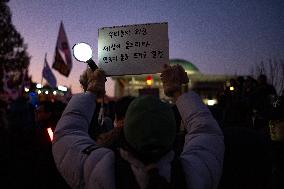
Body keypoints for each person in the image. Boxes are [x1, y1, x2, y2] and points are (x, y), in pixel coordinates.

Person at [52, 65, 224, 189]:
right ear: (173, 130)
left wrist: (91, 92)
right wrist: (178, 92)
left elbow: (67, 132)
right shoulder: (194, 173)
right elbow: (205, 130)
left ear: (124, 129)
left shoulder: (100, 170)